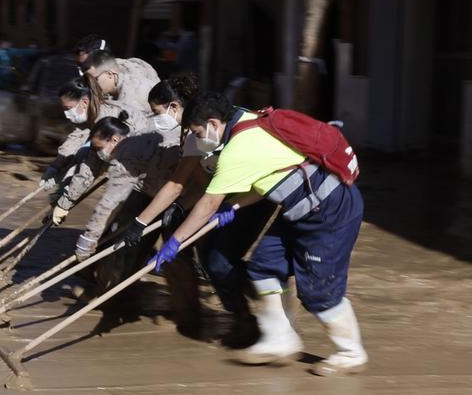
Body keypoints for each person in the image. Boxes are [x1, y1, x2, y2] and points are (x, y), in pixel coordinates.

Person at [151, 92, 367, 377]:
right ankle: (280, 339)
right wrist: (233, 206)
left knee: (319, 291)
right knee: (264, 268)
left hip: (329, 212)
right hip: (299, 209)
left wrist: (175, 242)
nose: (197, 139)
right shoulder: (248, 119)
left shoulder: (237, 149)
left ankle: (351, 353)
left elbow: (207, 203)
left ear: (213, 123)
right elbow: (265, 176)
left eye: (198, 133)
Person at [116, 75, 268, 344]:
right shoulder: (194, 135)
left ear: (174, 107)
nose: (156, 120)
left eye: (157, 112)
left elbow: (192, 188)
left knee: (218, 262)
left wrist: (157, 230)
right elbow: (186, 182)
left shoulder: (210, 126)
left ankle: (258, 301)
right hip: (219, 198)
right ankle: (245, 310)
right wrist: (149, 219)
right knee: (211, 260)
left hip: (251, 197)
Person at [50, 113, 179, 263]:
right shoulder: (133, 135)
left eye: (99, 148)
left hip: (173, 193)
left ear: (115, 140)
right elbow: (87, 173)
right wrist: (64, 203)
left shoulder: (127, 156)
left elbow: (109, 204)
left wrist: (87, 241)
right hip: (155, 188)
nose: (99, 154)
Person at [37, 78, 99, 193]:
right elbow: (75, 140)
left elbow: (91, 161)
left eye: (68, 108)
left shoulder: (105, 119)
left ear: (85, 102)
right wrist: (55, 167)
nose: (67, 115)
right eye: (64, 109)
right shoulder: (84, 118)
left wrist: (61, 178)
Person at [82, 49, 160, 128]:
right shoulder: (121, 71)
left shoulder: (131, 98)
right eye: (88, 80)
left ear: (109, 74)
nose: (91, 84)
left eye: (95, 79)